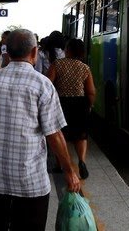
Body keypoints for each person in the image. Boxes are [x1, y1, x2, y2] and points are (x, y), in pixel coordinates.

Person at [0, 29, 81, 231]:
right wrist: (69, 171)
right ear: (34, 52)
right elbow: (54, 134)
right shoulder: (42, 85)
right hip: (30, 181)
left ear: (6, 51)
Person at [47, 38, 96, 179]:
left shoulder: (57, 64)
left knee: (59, 134)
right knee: (81, 135)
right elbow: (91, 91)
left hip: (61, 103)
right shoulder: (84, 67)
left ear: (67, 50)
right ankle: (81, 161)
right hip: (80, 104)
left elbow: (48, 84)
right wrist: (90, 105)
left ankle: (59, 165)